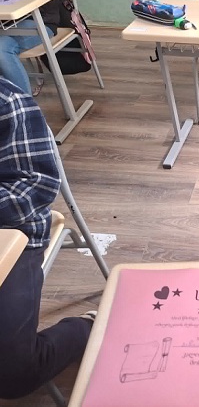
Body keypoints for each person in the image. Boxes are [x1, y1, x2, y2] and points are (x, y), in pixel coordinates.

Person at [0, 77, 95, 400]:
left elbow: (36, 187)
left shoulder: (7, 102)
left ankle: (87, 329)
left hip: (14, 234)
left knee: (14, 372)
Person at [0, 0, 72, 95]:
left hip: (40, 21)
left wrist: (24, 1)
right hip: (6, 22)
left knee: (2, 48)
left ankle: (25, 104)